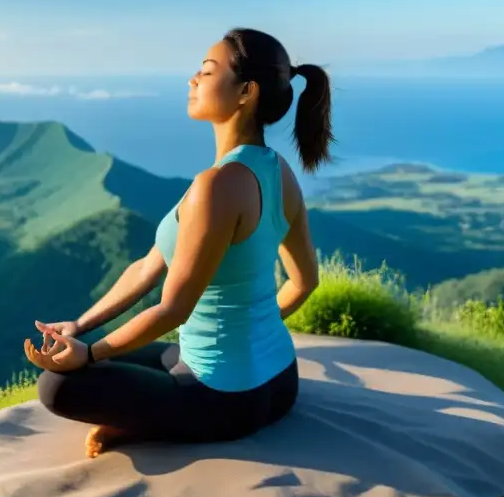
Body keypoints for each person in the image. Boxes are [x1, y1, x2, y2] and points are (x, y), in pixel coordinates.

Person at [23, 27, 334, 458]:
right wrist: (81, 327)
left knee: (57, 385)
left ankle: (145, 427)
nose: (193, 80)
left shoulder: (218, 185)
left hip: (224, 401)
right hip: (281, 381)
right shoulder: (278, 172)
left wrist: (89, 354)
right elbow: (302, 282)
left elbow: (173, 308)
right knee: (120, 359)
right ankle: (146, 410)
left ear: (247, 91)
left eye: (206, 72)